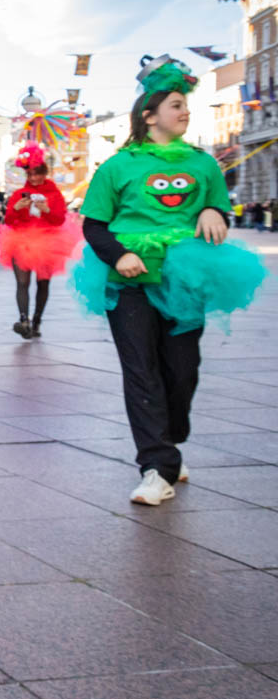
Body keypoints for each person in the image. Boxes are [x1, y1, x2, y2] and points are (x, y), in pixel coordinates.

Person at [74, 55, 266, 506]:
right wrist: (119, 256)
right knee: (140, 370)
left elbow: (222, 206)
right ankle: (155, 467)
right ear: (149, 114)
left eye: (186, 106)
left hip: (186, 279)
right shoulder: (117, 167)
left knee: (182, 371)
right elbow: (94, 225)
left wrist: (212, 210)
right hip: (130, 282)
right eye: (176, 105)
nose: (184, 112)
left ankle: (171, 440)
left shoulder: (204, 164)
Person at [0, 143, 79, 339]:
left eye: (37, 173)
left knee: (43, 284)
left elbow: (60, 219)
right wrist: (17, 207)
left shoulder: (54, 193)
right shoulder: (19, 194)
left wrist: (46, 210)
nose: (34, 178)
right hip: (21, 241)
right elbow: (9, 221)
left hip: (47, 242)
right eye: (30, 174)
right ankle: (23, 320)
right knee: (22, 283)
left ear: (44, 172)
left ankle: (36, 322)